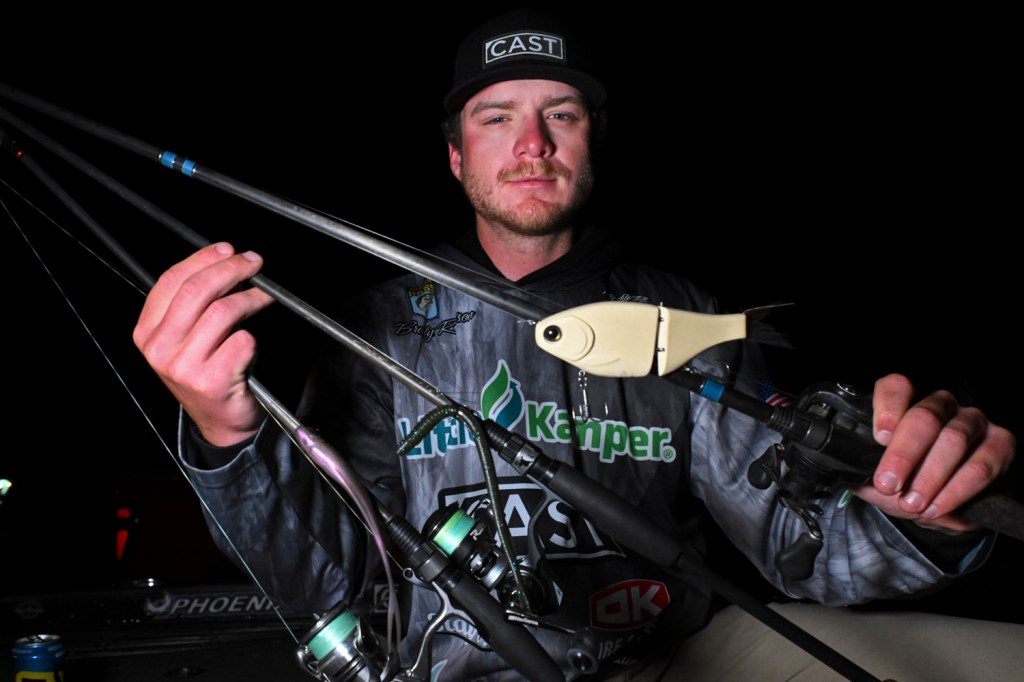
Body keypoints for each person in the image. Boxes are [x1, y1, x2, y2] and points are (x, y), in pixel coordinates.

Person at [133, 9, 1022, 681]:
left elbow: (803, 552)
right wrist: (226, 435)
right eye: (496, 117)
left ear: (594, 140)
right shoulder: (374, 325)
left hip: (675, 656)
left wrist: (925, 509)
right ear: (456, 156)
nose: (532, 144)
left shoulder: (684, 314)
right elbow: (325, 586)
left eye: (560, 113)